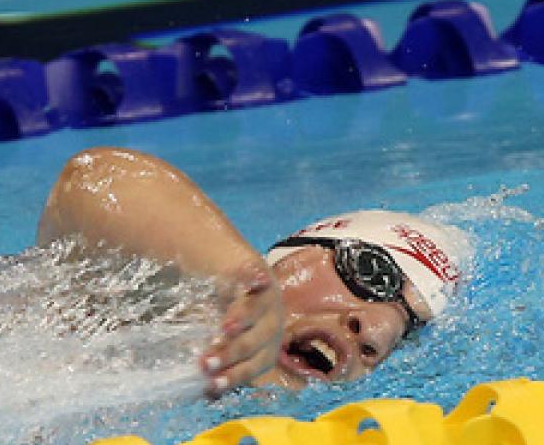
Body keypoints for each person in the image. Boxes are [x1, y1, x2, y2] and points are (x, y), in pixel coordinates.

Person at [38, 147, 470, 394]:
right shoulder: (142, 299)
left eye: (407, 328)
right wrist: (238, 276)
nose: (376, 331)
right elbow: (92, 180)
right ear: (290, 253)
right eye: (372, 272)